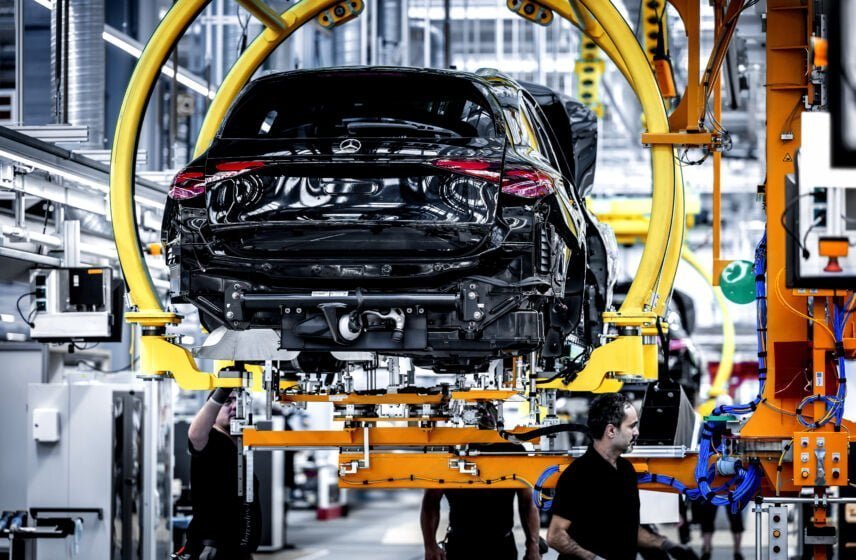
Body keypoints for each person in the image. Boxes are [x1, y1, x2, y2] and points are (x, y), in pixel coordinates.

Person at [546, 393, 698, 560]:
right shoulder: (578, 475)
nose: (637, 432)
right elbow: (555, 535)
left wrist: (666, 544)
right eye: (631, 426)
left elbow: (629, 530)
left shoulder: (626, 470)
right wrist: (592, 558)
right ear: (611, 430)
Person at [420, 443, 543, 560]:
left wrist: (533, 545)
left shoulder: (513, 449)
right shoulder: (450, 449)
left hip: (501, 545)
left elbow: (527, 503)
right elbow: (430, 502)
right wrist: (430, 546)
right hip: (461, 545)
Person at [186, 387, 261, 560]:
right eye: (228, 401)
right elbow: (195, 434)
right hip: (211, 551)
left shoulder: (239, 445)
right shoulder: (210, 439)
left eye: (239, 402)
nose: (235, 407)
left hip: (237, 550)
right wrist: (223, 388)